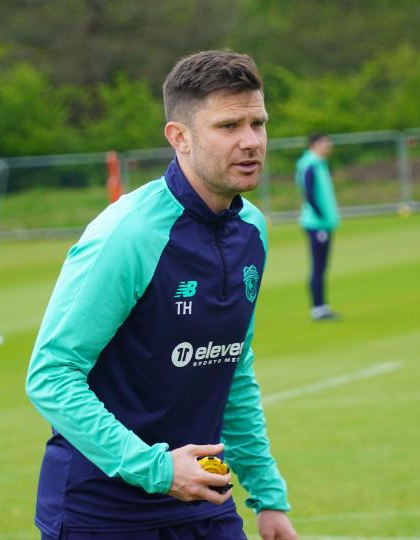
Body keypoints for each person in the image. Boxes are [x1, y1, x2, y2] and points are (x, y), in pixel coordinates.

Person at [24, 49, 297, 540]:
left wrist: (267, 494)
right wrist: (158, 469)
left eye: (258, 123)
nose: (252, 141)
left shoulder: (253, 229)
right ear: (180, 137)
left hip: (203, 500)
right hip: (103, 512)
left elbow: (232, 367)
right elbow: (51, 375)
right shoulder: (127, 236)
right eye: (229, 126)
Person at [295, 132, 340, 320]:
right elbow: (309, 194)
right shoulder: (310, 165)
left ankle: (322, 306)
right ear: (314, 144)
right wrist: (321, 217)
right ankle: (318, 308)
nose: (329, 145)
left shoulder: (319, 164)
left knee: (322, 266)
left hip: (323, 223)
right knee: (318, 266)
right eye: (325, 142)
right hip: (316, 225)